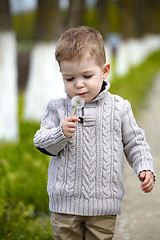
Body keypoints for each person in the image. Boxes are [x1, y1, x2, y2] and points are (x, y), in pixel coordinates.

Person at [34, 26, 155, 240]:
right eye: (69, 79)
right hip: (65, 204)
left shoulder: (119, 107)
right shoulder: (57, 108)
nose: (79, 85)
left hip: (103, 204)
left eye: (87, 76)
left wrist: (144, 166)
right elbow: (42, 143)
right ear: (61, 75)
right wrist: (60, 133)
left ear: (105, 70)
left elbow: (134, 143)